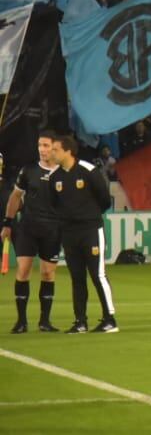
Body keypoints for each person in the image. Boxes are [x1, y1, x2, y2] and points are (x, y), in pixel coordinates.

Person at [47, 135, 116, 333]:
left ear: (68, 151)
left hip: (91, 230)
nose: (52, 153)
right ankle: (80, 321)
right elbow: (55, 205)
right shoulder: (55, 178)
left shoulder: (88, 170)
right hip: (69, 233)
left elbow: (104, 198)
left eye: (55, 149)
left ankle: (109, 318)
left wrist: (89, 216)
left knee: (98, 274)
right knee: (77, 277)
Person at [1, 131, 61, 333]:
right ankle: (21, 321)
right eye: (40, 145)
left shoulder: (63, 173)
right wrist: (8, 223)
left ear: (55, 147)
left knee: (47, 273)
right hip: (27, 227)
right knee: (24, 270)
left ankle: (45, 321)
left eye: (46, 145)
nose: (42, 149)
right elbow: (15, 197)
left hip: (52, 229)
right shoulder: (28, 170)